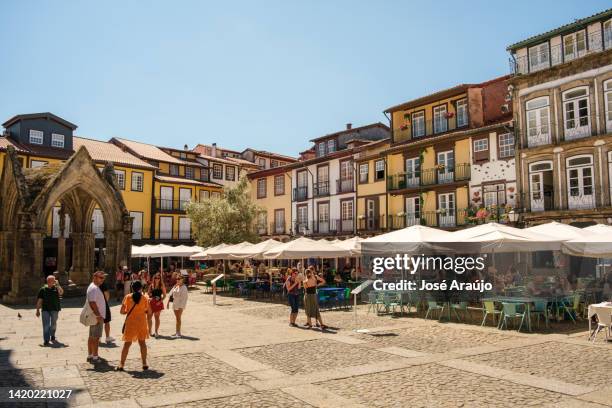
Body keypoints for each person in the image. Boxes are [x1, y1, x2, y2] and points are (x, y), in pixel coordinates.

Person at [115, 280, 150, 371]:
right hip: (142, 322)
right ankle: (144, 363)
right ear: (141, 288)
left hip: (131, 323)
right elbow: (148, 311)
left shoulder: (127, 297)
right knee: (142, 343)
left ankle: (121, 364)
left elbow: (122, 311)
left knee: (127, 344)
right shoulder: (145, 298)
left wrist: (128, 311)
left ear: (132, 288)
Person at [36, 275, 63, 346]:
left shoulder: (56, 288)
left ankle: (53, 335)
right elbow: (39, 300)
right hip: (45, 309)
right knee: (46, 325)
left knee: (53, 324)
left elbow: (61, 293)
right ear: (48, 281)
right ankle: (46, 340)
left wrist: (58, 285)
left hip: (55, 309)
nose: (54, 282)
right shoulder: (43, 289)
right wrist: (37, 310)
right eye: (53, 281)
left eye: (54, 281)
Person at [86, 271, 107, 363]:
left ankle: (90, 355)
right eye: (101, 277)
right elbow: (92, 302)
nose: (103, 280)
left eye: (103, 278)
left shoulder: (94, 287)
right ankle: (95, 356)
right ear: (95, 277)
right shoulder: (94, 288)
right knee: (96, 337)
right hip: (97, 316)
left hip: (95, 315)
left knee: (92, 336)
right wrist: (98, 315)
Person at [147, 272, 166, 338]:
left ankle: (156, 331)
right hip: (151, 303)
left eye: (158, 278)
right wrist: (150, 296)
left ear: (160, 279)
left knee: (157, 318)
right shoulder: (151, 285)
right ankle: (150, 331)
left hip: (158, 303)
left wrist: (160, 301)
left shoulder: (161, 285)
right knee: (149, 318)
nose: (157, 279)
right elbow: (148, 294)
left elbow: (165, 295)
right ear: (154, 278)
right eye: (156, 278)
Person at [99, 278, 116, 344]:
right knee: (107, 321)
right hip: (103, 304)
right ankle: (107, 337)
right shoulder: (103, 284)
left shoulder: (94, 284)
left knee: (98, 321)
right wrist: (105, 302)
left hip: (96, 304)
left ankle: (98, 338)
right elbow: (106, 294)